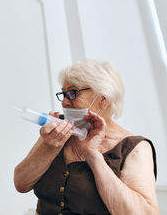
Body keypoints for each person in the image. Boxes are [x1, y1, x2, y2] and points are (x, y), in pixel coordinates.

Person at [14, 60, 159, 215]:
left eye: (72, 93)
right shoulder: (58, 130)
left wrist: (93, 155)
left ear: (103, 99)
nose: (64, 102)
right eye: (63, 94)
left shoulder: (136, 147)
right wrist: (49, 146)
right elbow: (21, 183)